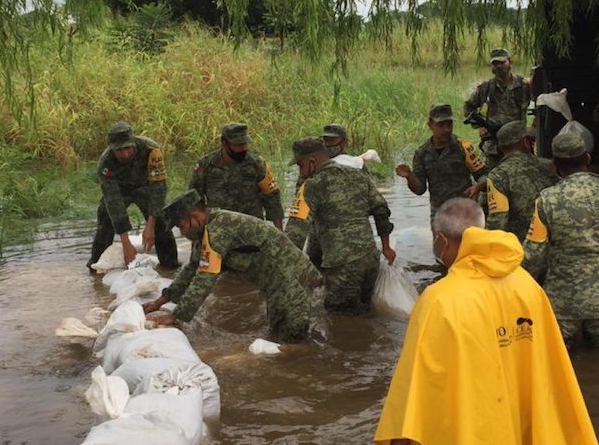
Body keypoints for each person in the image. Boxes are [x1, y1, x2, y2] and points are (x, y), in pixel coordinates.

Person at [374, 198, 599, 445]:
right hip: (522, 421)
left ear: (442, 242)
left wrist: (399, 433)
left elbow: (417, 377)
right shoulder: (526, 284)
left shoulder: (439, 299)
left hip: (467, 436)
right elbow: (548, 368)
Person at [524, 130, 599, 349]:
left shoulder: (546, 200)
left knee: (561, 365)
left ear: (553, 164)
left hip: (563, 303)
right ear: (588, 158)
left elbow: (534, 256)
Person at [142, 190, 312, 342]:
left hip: (292, 281)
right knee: (277, 335)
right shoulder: (206, 232)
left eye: (181, 226)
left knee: (294, 344)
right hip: (277, 284)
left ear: (194, 217)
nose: (183, 233)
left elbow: (205, 278)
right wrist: (159, 302)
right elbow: (191, 269)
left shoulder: (219, 229)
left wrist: (176, 316)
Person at [291, 137, 396, 313]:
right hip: (370, 260)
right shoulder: (358, 175)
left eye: (300, 165)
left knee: (340, 325)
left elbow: (295, 233)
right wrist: (386, 247)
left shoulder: (312, 185)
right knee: (364, 316)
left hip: (342, 268)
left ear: (311, 161)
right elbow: (381, 210)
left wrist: (289, 272)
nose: (300, 171)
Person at [88, 121, 178, 272]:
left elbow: (158, 188)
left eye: (127, 148)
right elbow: (113, 201)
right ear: (112, 149)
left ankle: (170, 266)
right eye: (119, 150)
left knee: (161, 220)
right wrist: (126, 244)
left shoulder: (152, 150)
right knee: (105, 216)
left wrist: (150, 226)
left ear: (134, 143)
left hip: (146, 186)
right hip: (120, 188)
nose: (125, 154)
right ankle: (96, 265)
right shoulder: (105, 163)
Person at [395, 104, 487, 220]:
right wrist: (409, 176)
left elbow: (483, 175)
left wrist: (478, 187)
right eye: (441, 125)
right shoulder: (422, 153)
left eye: (449, 124)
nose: (446, 129)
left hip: (465, 211)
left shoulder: (464, 147)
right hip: (439, 215)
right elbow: (419, 189)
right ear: (430, 125)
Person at [189, 122, 284, 229]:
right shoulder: (205, 166)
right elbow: (195, 202)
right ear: (224, 143)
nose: (243, 148)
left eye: (244, 144)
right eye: (238, 145)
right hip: (219, 231)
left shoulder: (257, 164)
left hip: (253, 230)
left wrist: (280, 235)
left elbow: (272, 199)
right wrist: (197, 236)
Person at [483, 120, 558, 245]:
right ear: (525, 142)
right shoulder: (546, 166)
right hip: (550, 241)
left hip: (520, 247)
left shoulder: (498, 175)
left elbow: (498, 222)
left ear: (500, 148)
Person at [463, 48, 530, 168]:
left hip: (518, 144)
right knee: (493, 181)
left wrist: (534, 127)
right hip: (494, 147)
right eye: (495, 63)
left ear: (510, 62)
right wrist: (481, 126)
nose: (499, 66)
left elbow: (542, 105)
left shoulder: (524, 85)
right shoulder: (486, 88)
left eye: (502, 62)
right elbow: (468, 107)